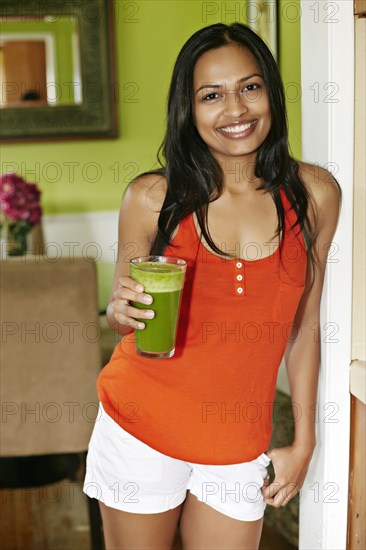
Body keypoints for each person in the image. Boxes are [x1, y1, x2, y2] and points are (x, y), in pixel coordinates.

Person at [83, 22, 341, 549]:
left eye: (250, 87)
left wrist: (305, 438)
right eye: (212, 95)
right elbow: (120, 314)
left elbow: (305, 327)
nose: (236, 110)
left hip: (238, 440)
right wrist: (120, 309)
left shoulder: (315, 194)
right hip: (139, 429)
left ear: (270, 91)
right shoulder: (152, 197)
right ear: (189, 107)